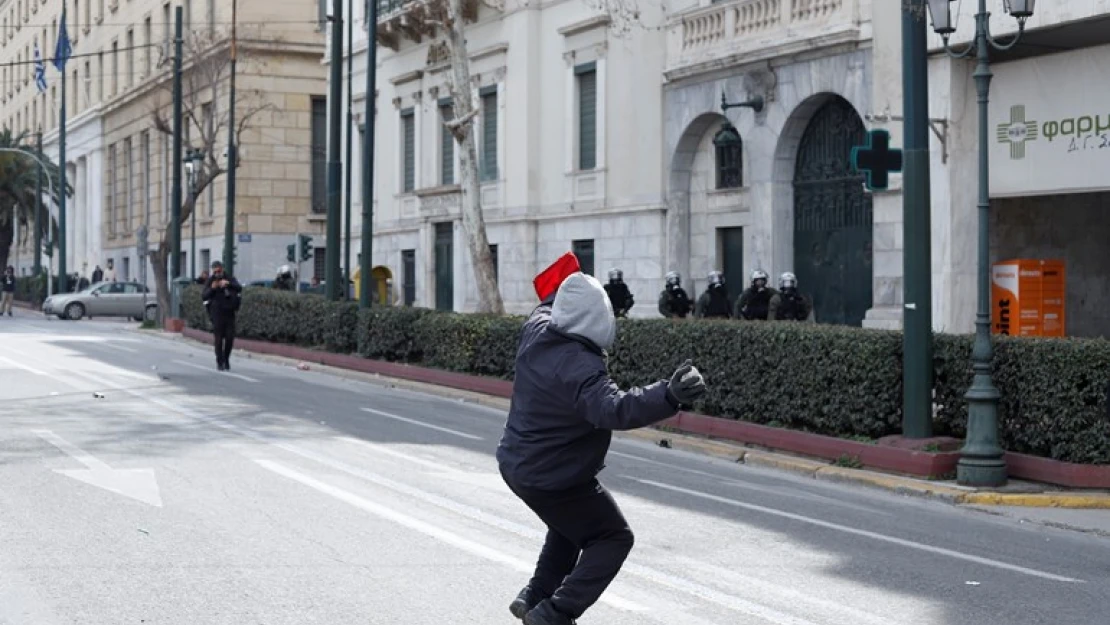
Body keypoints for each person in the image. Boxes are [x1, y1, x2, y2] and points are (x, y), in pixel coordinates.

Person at [498, 268, 707, 625]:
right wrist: (669, 395)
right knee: (612, 536)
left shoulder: (536, 329)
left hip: (519, 464)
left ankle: (535, 595)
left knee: (569, 526)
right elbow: (615, 408)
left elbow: (548, 301)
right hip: (554, 474)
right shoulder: (580, 366)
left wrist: (570, 278)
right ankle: (555, 614)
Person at [202, 260, 242, 371]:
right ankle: (219, 361)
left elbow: (239, 288)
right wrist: (213, 288)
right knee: (218, 339)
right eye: (215, 272)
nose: (217, 274)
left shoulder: (229, 278)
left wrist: (228, 284)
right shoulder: (211, 281)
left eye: (219, 271)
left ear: (222, 269)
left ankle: (226, 359)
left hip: (229, 311)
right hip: (217, 313)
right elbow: (204, 295)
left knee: (230, 338)